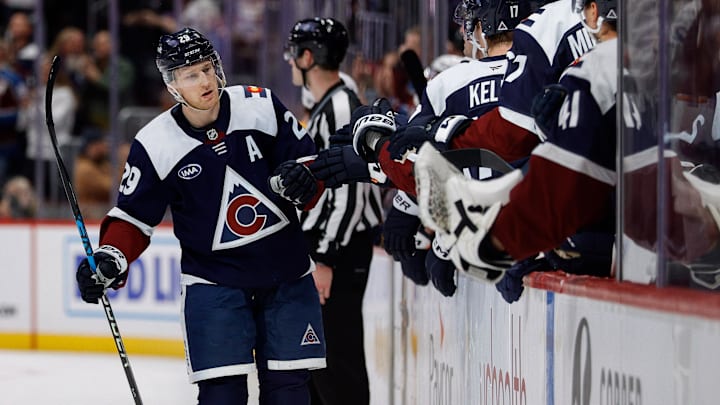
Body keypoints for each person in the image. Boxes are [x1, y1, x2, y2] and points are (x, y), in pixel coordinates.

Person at [74, 27, 326, 405]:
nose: (205, 80)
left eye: (208, 68)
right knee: (221, 396)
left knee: (289, 393)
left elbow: (308, 162)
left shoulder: (260, 105)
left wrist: (306, 179)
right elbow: (132, 217)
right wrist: (111, 257)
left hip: (286, 275)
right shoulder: (155, 143)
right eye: (191, 74)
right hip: (214, 285)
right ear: (172, 84)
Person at [412, 0, 621, 285]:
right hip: (643, 218)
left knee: (575, 238)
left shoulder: (593, 60)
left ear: (594, 11)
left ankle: (490, 234)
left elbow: (521, 146)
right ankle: (489, 229)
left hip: (629, 223)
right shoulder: (627, 61)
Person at [282, 17, 381, 405]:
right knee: (317, 361)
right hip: (328, 248)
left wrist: (326, 256)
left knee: (338, 361)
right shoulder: (330, 103)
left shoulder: (340, 104)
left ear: (308, 57)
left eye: (294, 53)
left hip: (338, 251)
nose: (290, 61)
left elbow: (351, 188)